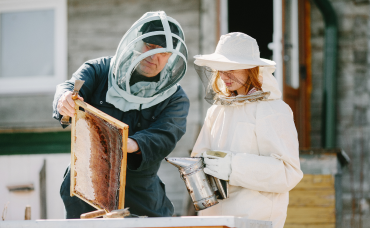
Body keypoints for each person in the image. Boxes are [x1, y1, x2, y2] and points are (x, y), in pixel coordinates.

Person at [52, 11, 189, 218]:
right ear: (135, 42)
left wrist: (124, 143)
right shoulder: (98, 70)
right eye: (150, 46)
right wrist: (64, 99)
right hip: (86, 187)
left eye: (164, 53)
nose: (154, 56)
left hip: (141, 195)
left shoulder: (175, 97)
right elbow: (69, 87)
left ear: (172, 57)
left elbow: (166, 135)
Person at [191, 32, 303, 228]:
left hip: (255, 221)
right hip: (213, 220)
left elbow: (289, 172)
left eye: (231, 68)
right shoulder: (216, 111)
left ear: (252, 69)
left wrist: (233, 166)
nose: (224, 76)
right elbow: (199, 158)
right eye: (220, 69)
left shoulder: (273, 110)